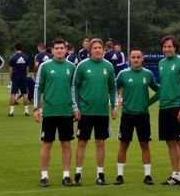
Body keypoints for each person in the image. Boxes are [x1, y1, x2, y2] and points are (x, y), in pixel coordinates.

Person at [33, 38, 79, 187]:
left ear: (66, 50)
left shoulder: (72, 67)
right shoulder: (45, 67)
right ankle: (44, 176)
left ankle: (66, 176)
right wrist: (36, 108)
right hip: (50, 112)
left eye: (62, 48)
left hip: (66, 112)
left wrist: (75, 107)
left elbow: (74, 89)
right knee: (47, 144)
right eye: (56, 48)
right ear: (52, 50)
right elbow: (38, 87)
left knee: (66, 144)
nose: (59, 50)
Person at [72, 38, 117, 186]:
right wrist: (76, 107)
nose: (98, 50)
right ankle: (78, 174)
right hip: (85, 112)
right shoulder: (82, 66)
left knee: (100, 143)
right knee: (82, 143)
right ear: (90, 51)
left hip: (102, 112)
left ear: (104, 49)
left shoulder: (109, 66)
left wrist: (113, 106)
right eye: (95, 48)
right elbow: (75, 86)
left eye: (100, 48)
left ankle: (100, 175)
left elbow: (113, 87)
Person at [113, 48, 159, 185]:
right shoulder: (123, 74)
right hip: (127, 115)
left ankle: (148, 175)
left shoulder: (148, 74)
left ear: (142, 58)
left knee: (144, 144)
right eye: (133, 57)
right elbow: (113, 87)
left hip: (143, 115)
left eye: (138, 57)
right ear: (129, 59)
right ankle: (120, 175)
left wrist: (148, 102)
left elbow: (159, 90)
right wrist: (114, 103)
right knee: (123, 144)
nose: (136, 59)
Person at [156, 35, 180, 188]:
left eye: (169, 46)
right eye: (164, 47)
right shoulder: (161, 63)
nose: (167, 49)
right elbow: (162, 88)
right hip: (164, 107)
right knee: (170, 142)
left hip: (178, 107)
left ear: (175, 47)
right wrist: (147, 102)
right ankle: (175, 175)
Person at [8, 42, 30, 117]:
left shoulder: (13, 57)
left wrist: (11, 77)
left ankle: (11, 112)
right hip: (23, 78)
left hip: (15, 78)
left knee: (13, 94)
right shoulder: (25, 57)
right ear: (22, 48)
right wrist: (26, 75)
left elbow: (11, 69)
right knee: (25, 94)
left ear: (15, 48)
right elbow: (27, 68)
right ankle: (26, 112)